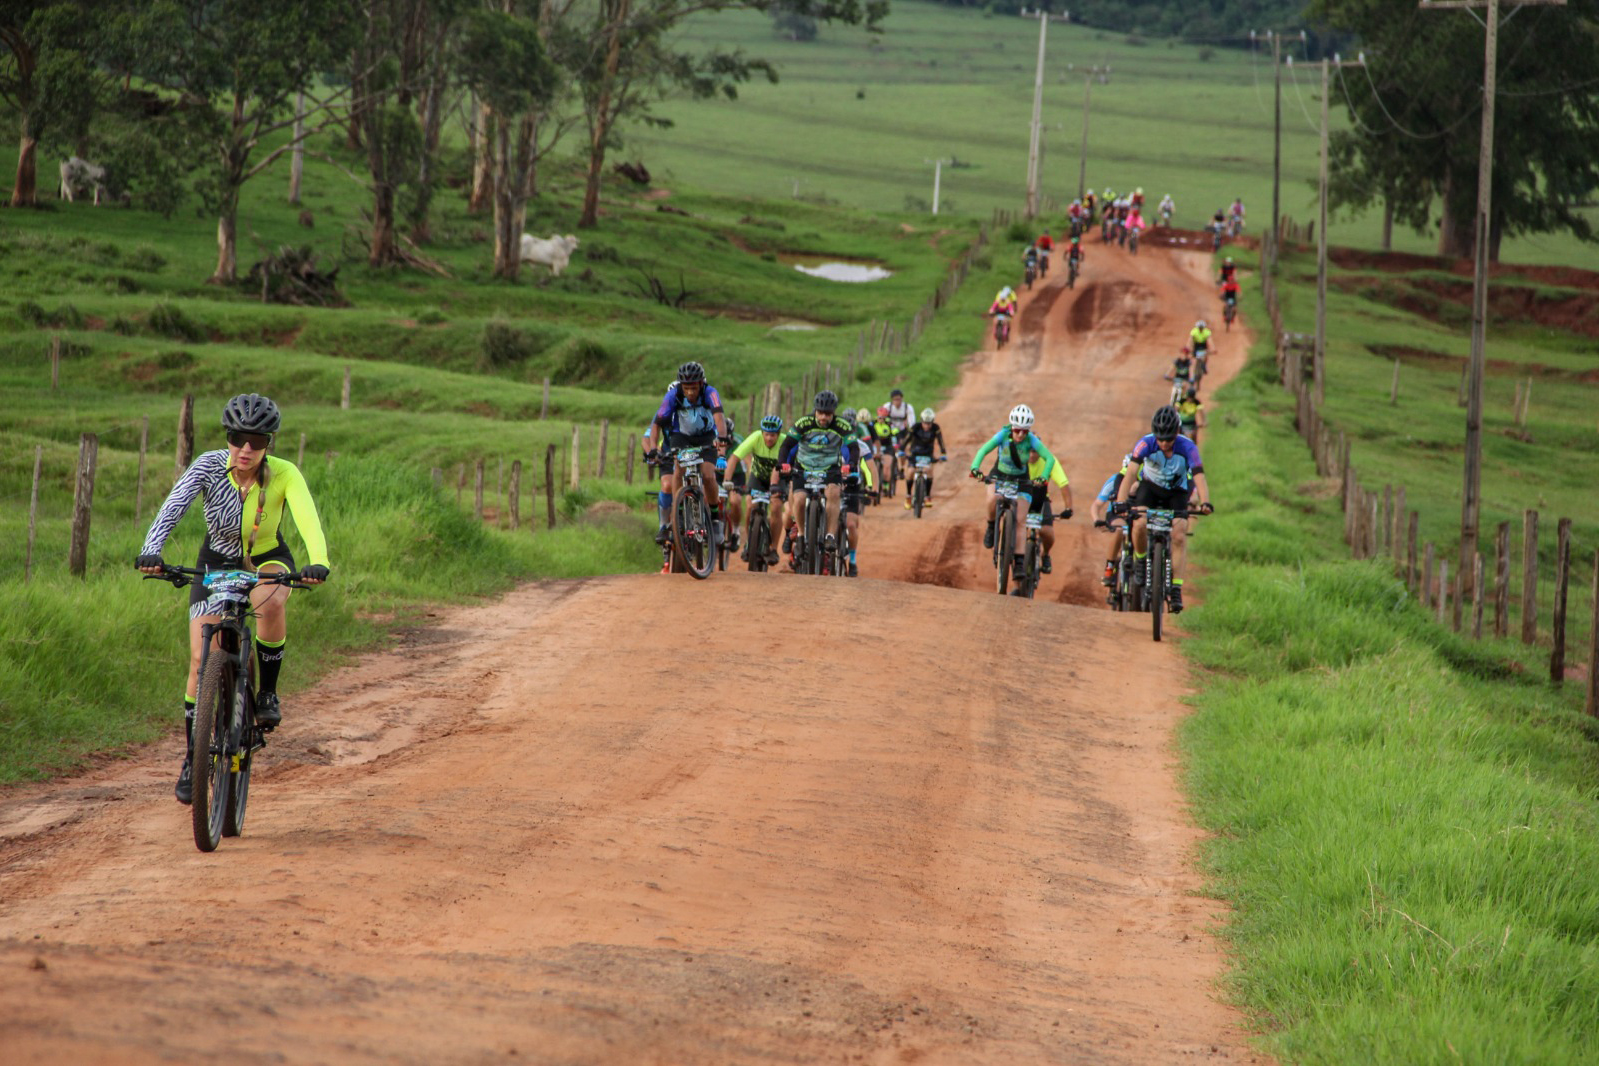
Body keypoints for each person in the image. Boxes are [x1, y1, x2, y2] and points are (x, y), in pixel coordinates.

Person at [135, 393, 330, 804]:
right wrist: (152, 550)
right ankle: (193, 757)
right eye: (238, 437)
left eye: (256, 442)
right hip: (215, 563)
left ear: (268, 444)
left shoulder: (284, 474)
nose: (246, 449)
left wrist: (318, 561)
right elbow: (173, 507)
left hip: (267, 558)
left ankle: (268, 693)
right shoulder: (207, 466)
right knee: (198, 659)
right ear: (228, 437)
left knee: (272, 601)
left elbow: (307, 517)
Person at [1110, 405, 1212, 613]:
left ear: (1177, 433)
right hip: (1150, 488)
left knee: (1179, 532)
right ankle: (1140, 560)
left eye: (1169, 439)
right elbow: (1130, 474)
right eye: (1160, 439)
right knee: (1138, 523)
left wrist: (1205, 502)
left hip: (1177, 492)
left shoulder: (1188, 447)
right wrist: (1120, 501)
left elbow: (1199, 476)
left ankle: (1176, 588)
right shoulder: (1145, 443)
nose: (1164, 444)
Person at [969, 404, 1063, 587]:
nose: (1020, 435)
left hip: (1022, 480)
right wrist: (975, 467)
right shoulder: (1003, 435)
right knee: (991, 498)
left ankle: (1019, 562)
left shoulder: (1032, 440)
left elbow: (1050, 458)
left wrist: (1044, 477)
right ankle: (990, 526)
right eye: (1017, 430)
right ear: (1012, 427)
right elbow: (983, 450)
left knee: (1020, 521)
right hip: (1000, 475)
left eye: (1024, 431)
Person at [650, 361, 730, 568]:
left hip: (706, 437)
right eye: (687, 388)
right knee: (679, 468)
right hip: (681, 437)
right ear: (681, 386)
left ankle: (714, 518)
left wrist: (722, 437)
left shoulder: (710, 392)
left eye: (694, 388)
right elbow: (657, 423)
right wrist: (652, 448)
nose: (691, 392)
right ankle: (678, 509)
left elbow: (719, 416)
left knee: (709, 475)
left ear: (701, 384)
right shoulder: (674, 394)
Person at [780, 390, 853, 566]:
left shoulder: (842, 425)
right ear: (815, 410)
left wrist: (852, 464)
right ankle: (801, 536)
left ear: (833, 412)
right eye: (820, 412)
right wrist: (784, 463)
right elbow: (787, 444)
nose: (823, 417)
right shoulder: (803, 423)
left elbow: (853, 447)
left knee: (834, 493)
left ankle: (829, 536)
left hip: (830, 468)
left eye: (827, 414)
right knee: (799, 498)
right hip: (804, 467)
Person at [727, 414, 787, 566]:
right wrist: (727, 480)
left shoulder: (785, 442)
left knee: (776, 507)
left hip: (779, 479)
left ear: (778, 434)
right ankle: (749, 543)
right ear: (762, 433)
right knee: (750, 505)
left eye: (772, 435)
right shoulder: (755, 437)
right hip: (758, 477)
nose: (769, 438)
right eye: (766, 434)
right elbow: (734, 457)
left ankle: (773, 548)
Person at [1021, 448, 1073, 589]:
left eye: (1035, 451)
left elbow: (1063, 484)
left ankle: (1045, 555)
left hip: (1041, 499)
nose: (1031, 455)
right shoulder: (1019, 457)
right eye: (1029, 451)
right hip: (1021, 498)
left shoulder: (1049, 460)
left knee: (1046, 531)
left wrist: (1068, 508)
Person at [1091, 456, 1135, 586]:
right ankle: (1109, 566)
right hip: (1117, 515)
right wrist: (1096, 519)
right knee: (1120, 530)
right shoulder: (1114, 480)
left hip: (1136, 514)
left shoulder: (1147, 481)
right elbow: (1097, 504)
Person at [902, 407, 948, 506]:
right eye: (925, 423)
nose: (927, 426)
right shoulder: (915, 427)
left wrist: (943, 453)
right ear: (921, 421)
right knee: (910, 472)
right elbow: (907, 439)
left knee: (929, 471)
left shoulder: (936, 428)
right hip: (915, 452)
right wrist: (901, 450)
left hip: (927, 453)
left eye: (929, 423)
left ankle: (927, 496)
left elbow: (940, 441)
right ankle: (908, 496)